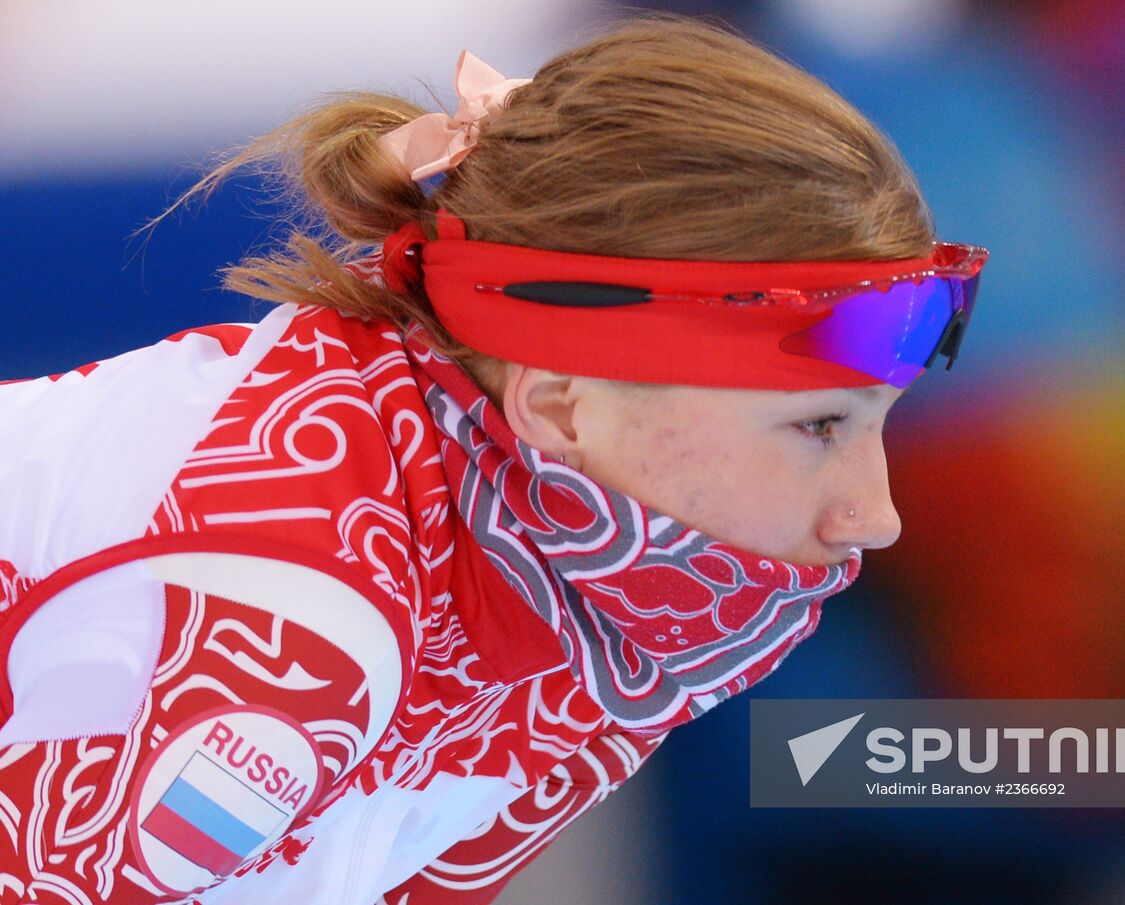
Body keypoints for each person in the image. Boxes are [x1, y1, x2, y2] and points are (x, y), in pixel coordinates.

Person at [0, 15, 986, 904]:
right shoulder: (304, 628)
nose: (874, 513)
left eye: (875, 421)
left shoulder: (592, 608)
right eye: (818, 425)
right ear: (560, 405)